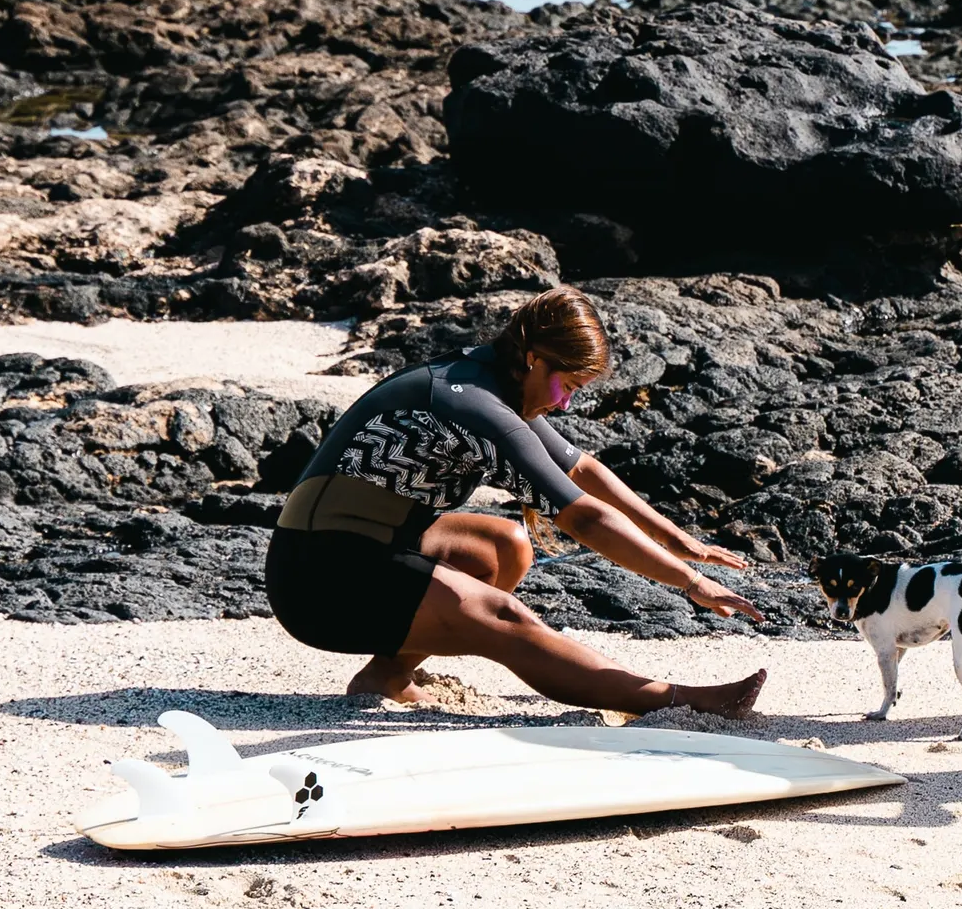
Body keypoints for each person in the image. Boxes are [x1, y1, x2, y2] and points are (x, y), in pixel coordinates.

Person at [264, 286, 768, 716]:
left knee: (506, 544)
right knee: (505, 618)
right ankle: (677, 701)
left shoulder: (487, 378)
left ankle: (385, 677)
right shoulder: (473, 406)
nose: (565, 403)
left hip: (370, 543)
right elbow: (584, 519)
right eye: (567, 386)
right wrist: (691, 583)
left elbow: (581, 469)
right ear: (534, 358)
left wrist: (679, 541)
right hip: (318, 580)